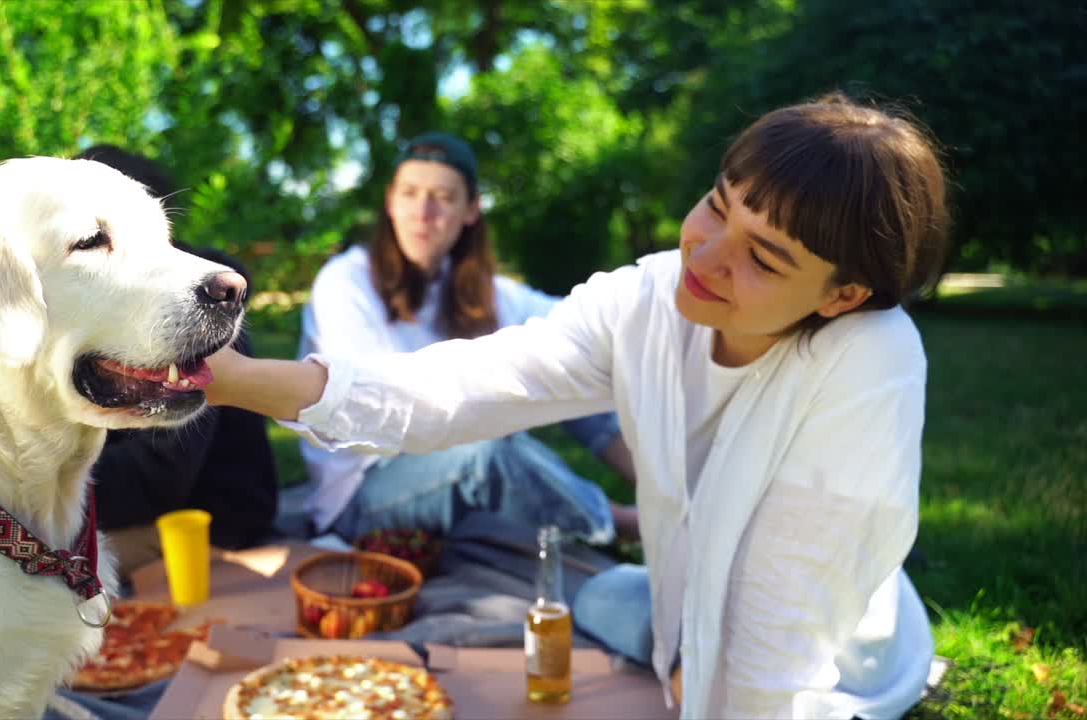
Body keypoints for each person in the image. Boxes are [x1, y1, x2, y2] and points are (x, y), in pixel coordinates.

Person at [200, 93, 950, 718]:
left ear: (842, 295)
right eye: (717, 207)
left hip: (826, 661)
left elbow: (781, 632)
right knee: (603, 601)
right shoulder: (647, 298)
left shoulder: (869, 358)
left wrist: (705, 684)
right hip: (687, 604)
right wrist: (233, 379)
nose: (708, 253)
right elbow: (455, 390)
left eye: (762, 257)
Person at [295, 131, 638, 544]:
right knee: (489, 455)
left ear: (471, 209)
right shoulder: (346, 282)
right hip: (362, 493)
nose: (423, 212)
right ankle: (628, 524)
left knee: (570, 363)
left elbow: (581, 323)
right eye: (409, 193)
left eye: (442, 197)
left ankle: (665, 488)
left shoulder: (478, 289)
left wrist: (653, 315)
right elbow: (385, 415)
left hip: (450, 462)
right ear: (390, 201)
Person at [74, 144, 279, 581]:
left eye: (89, 240)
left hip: (209, 523)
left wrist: (36, 487)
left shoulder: (190, 312)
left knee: (37, 564)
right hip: (149, 507)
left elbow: (158, 480)